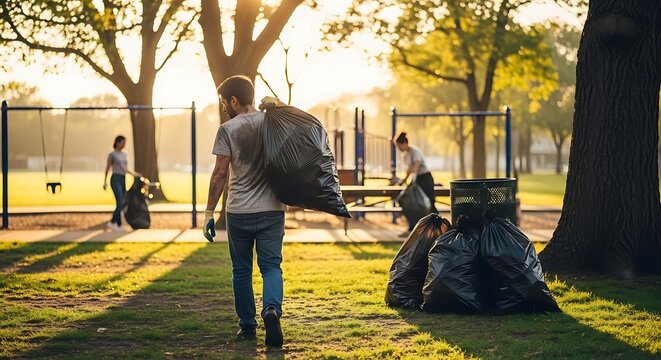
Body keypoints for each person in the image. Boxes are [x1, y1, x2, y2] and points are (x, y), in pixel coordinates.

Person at [202, 75, 286, 348]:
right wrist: (279, 106)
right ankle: (271, 310)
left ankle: (247, 326)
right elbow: (300, 128)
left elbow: (219, 175)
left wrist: (208, 212)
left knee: (241, 270)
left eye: (224, 101)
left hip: (239, 212)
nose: (224, 106)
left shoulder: (228, 129)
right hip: (272, 209)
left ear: (234, 100)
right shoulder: (272, 121)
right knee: (271, 266)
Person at [394, 132, 438, 236]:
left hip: (425, 178)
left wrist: (413, 177)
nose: (398, 148)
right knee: (413, 203)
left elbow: (417, 164)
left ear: (404, 143)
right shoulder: (406, 155)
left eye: (399, 145)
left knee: (428, 202)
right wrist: (404, 180)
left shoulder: (414, 151)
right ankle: (414, 227)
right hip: (417, 179)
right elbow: (409, 169)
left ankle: (436, 227)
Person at [103, 135, 139, 232]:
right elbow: (108, 167)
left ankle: (115, 223)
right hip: (115, 178)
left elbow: (125, 169)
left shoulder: (124, 155)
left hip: (123, 179)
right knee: (120, 201)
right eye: (122, 143)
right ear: (117, 143)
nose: (124, 145)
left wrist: (134, 174)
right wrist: (104, 181)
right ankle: (116, 224)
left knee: (121, 202)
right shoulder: (112, 155)